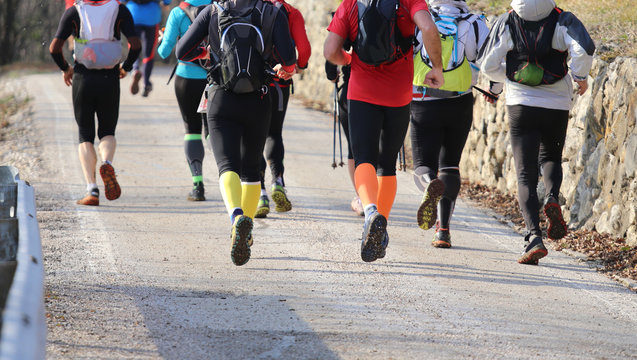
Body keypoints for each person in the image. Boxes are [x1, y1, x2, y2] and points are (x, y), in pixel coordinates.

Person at [176, 0, 297, 266]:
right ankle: (247, 227)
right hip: (259, 98)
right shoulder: (271, 12)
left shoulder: (213, 11)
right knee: (252, 170)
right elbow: (289, 57)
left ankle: (236, 218)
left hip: (221, 97)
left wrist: (206, 53)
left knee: (227, 165)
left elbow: (181, 51)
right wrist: (283, 69)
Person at [324, 0, 444, 262]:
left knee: (363, 157)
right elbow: (429, 28)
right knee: (387, 164)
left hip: (361, 93)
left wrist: (348, 59)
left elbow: (330, 50)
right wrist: (436, 67)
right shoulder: (410, 2)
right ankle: (382, 224)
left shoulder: (351, 5)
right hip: (398, 95)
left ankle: (370, 212)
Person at [478, 0, 595, 264]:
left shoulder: (507, 21)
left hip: (521, 103)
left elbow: (487, 63)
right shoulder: (562, 19)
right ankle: (552, 197)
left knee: (525, 173)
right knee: (551, 156)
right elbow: (584, 48)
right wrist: (579, 76)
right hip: (556, 102)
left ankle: (534, 237)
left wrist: (507, 76)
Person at [410, 0, 495, 248]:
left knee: (423, 165)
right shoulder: (475, 23)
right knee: (450, 165)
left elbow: (406, 52)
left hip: (423, 99)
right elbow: (491, 60)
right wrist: (495, 89)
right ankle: (443, 230)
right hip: (459, 101)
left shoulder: (420, 18)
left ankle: (429, 184)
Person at [50, 0, 141, 205]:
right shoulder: (120, 9)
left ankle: (92, 190)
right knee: (108, 131)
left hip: (83, 78)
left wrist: (66, 68)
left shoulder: (75, 11)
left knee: (85, 135)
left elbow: (54, 48)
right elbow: (135, 45)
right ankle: (107, 163)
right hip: (109, 78)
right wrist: (126, 67)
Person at [254, 0, 311, 218]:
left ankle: (259, 193)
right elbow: (304, 48)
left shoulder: (252, 7)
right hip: (281, 82)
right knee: (274, 133)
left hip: (253, 83)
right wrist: (300, 66)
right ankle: (278, 182)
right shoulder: (291, 12)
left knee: (253, 137)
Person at [158, 0, 212, 201]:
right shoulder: (218, 7)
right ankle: (233, 178)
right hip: (213, 78)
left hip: (186, 79)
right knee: (214, 129)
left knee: (192, 129)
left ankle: (198, 186)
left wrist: (162, 39)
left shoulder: (177, 13)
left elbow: (164, 52)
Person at [324, 39, 364, 217]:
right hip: (387, 93)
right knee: (378, 146)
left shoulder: (348, 17)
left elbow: (331, 70)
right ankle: (378, 194)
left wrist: (335, 74)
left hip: (352, 94)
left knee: (354, 148)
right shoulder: (393, 13)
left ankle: (362, 197)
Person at [126, 0, 172, 97]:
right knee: (149, 53)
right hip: (152, 17)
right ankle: (146, 83)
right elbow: (166, 2)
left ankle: (135, 70)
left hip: (132, 15)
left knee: (133, 48)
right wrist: (165, 3)